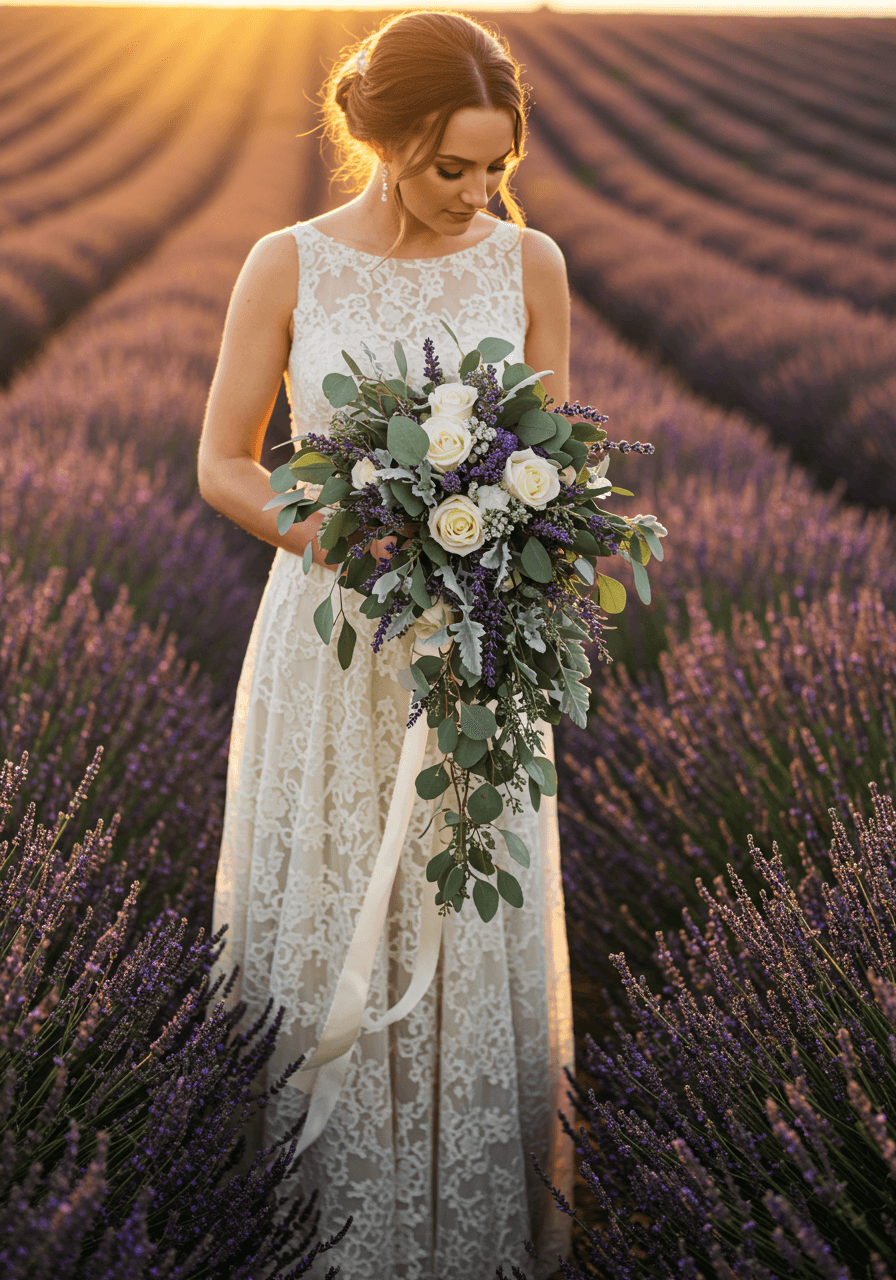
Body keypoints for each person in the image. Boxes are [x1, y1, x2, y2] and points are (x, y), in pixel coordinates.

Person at [197, 10, 574, 1278]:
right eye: (448, 165)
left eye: (493, 165)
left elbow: (549, 466)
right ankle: (323, 1236)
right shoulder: (287, 262)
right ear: (383, 139)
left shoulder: (530, 265)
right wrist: (352, 546)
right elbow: (224, 463)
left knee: (465, 904)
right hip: (333, 638)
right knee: (333, 910)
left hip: (473, 653)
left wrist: (498, 559)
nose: (475, 192)